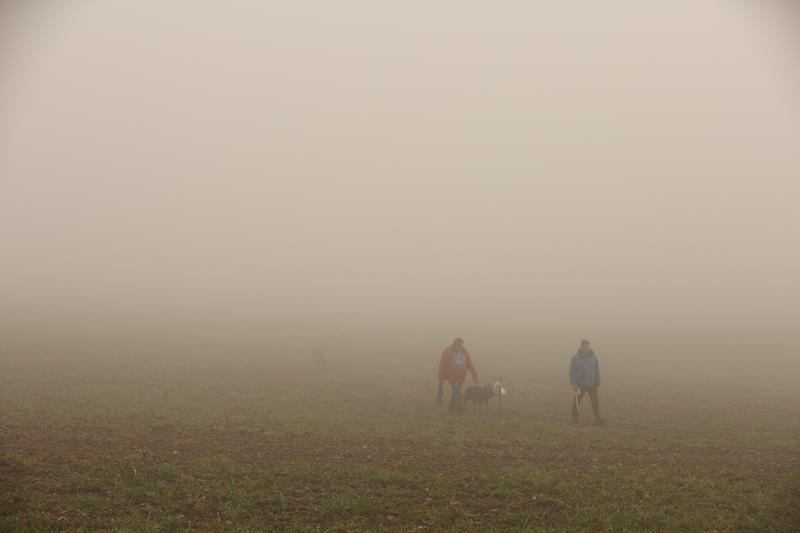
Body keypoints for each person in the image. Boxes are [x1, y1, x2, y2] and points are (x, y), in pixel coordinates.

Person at [438, 337, 478, 413]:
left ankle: (450, 409)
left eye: (461, 345)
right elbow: (442, 365)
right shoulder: (448, 352)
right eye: (458, 345)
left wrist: (474, 376)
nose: (459, 347)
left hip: (461, 377)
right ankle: (460, 408)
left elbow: (469, 364)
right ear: (454, 344)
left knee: (455, 392)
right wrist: (441, 379)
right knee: (456, 391)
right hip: (451, 376)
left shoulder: (465, 353)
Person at [569, 339, 605, 425]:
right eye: (584, 347)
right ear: (581, 347)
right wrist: (573, 383)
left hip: (592, 384)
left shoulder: (594, 357)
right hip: (579, 385)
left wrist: (598, 380)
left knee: (595, 402)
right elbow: (571, 372)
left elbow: (596, 369)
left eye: (587, 346)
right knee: (577, 401)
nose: (586, 348)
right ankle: (574, 418)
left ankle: (597, 419)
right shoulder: (575, 358)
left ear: (589, 346)